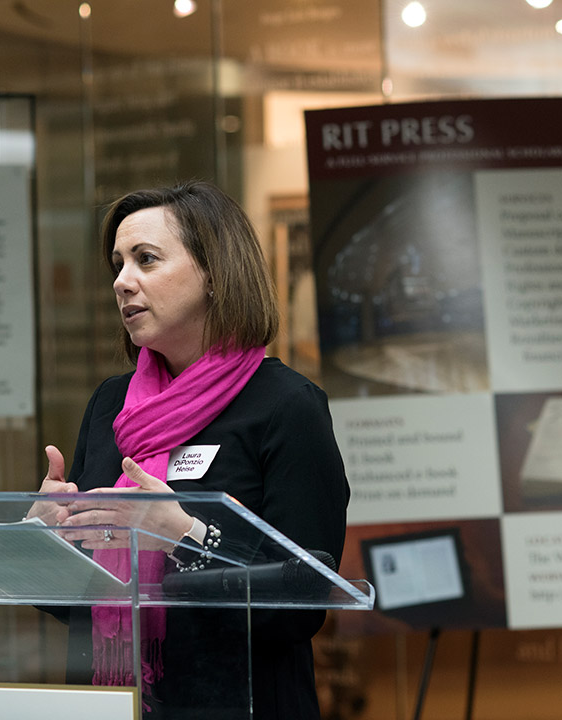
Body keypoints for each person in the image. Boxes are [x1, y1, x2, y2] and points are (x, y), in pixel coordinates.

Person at [29, 180, 349, 719]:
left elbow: (302, 606)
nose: (122, 282)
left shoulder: (286, 406)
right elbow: (78, 607)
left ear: (213, 275)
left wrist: (184, 535)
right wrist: (41, 539)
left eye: (146, 260)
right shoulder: (111, 404)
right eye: (118, 264)